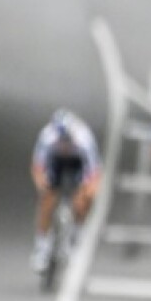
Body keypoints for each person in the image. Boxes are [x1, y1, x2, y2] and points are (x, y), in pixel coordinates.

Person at [30, 109, 102, 272]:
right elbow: (37, 168)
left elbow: (94, 174)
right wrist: (42, 186)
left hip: (78, 165)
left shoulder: (84, 139)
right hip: (55, 163)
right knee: (47, 199)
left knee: (83, 201)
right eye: (60, 141)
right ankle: (42, 247)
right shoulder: (47, 137)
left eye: (67, 141)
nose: (64, 145)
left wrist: (87, 193)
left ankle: (77, 234)